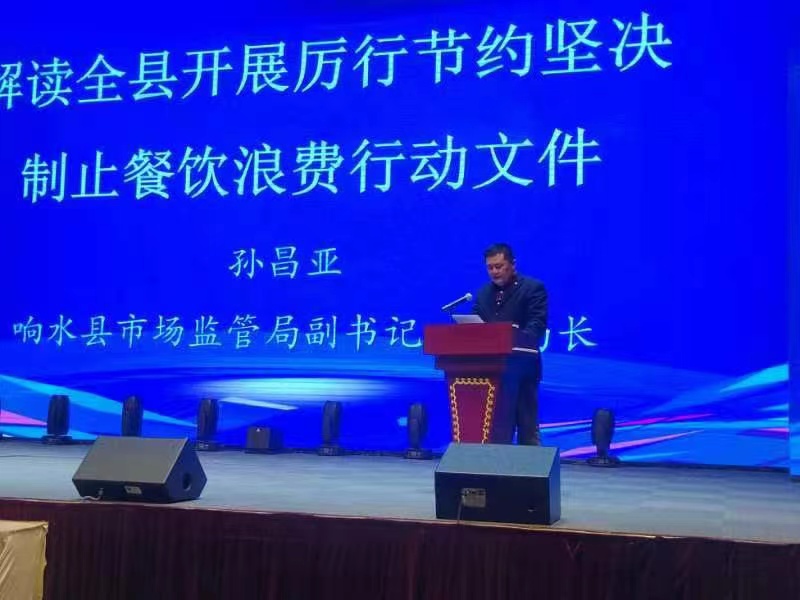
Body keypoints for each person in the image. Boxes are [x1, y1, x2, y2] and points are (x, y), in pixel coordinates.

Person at [472, 243, 548, 445]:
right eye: (490, 267)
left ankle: (531, 464)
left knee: (527, 428)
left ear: (512, 265)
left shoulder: (532, 288)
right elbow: (476, 326)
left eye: (499, 266)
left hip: (523, 370)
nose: (494, 272)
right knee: (496, 429)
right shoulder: (483, 294)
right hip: (490, 371)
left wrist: (513, 338)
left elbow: (537, 325)